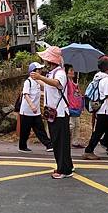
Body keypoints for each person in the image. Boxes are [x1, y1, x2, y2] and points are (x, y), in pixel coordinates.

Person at [30, 46, 74, 179]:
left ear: (50, 61)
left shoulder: (59, 73)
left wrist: (40, 77)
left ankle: (63, 170)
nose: (44, 62)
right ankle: (66, 166)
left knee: (60, 142)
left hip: (59, 113)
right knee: (58, 141)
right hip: (54, 113)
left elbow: (56, 83)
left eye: (46, 60)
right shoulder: (52, 73)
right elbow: (49, 85)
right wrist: (37, 78)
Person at [18, 62, 52, 153]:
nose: (40, 71)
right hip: (26, 111)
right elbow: (26, 94)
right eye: (38, 70)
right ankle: (22, 146)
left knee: (40, 129)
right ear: (32, 71)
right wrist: (32, 105)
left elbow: (41, 91)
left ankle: (49, 145)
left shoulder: (37, 82)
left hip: (36, 112)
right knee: (25, 131)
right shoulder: (28, 82)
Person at [65, 64, 84, 149]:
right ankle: (67, 141)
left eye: (73, 70)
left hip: (77, 108)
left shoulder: (74, 84)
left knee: (77, 125)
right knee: (71, 125)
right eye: (71, 70)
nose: (73, 72)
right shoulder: (67, 82)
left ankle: (75, 141)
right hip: (71, 107)